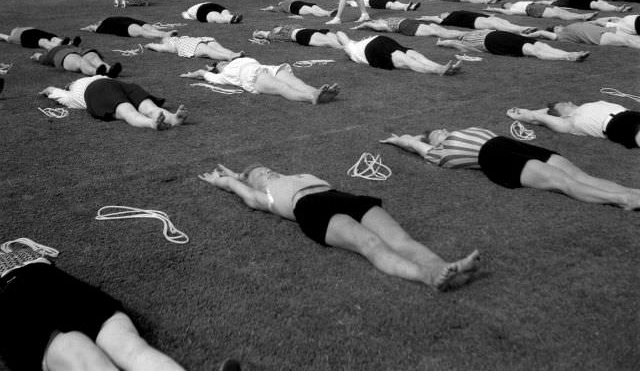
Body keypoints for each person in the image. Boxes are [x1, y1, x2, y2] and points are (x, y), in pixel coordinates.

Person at [198, 164, 481, 291]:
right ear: (256, 185)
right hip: (310, 209)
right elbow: (242, 190)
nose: (267, 173)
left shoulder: (298, 174)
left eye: (267, 169)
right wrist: (228, 179)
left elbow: (259, 175)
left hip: (341, 197)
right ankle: (428, 276)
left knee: (401, 239)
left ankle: (448, 269)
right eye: (261, 175)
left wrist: (248, 173)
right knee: (369, 244)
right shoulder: (265, 196)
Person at [0, 237, 188, 371]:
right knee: (129, 349)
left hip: (20, 294)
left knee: (81, 356)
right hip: (49, 281)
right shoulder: (21, 252)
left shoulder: (18, 252)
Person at [379, 128, 640, 208]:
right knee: (563, 182)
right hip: (495, 158)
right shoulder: (439, 153)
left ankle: (633, 192)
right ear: (432, 142)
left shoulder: (463, 131)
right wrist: (399, 140)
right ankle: (622, 200)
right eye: (437, 133)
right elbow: (414, 145)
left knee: (581, 175)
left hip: (508, 144)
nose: (443, 131)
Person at [40, 75, 188, 130]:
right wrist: (49, 91)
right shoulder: (71, 95)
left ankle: (173, 118)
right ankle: (152, 123)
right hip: (97, 90)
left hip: (118, 85)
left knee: (148, 107)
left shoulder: (90, 78)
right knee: (128, 112)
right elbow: (52, 91)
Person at [180, 59, 339, 104]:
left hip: (266, 68)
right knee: (282, 87)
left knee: (297, 83)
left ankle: (319, 93)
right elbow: (203, 73)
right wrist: (196, 73)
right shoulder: (221, 76)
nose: (221, 63)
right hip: (253, 76)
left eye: (221, 62)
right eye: (218, 65)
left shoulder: (236, 61)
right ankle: (311, 97)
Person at [507, 101, 640, 149]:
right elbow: (536, 118)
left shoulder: (586, 106)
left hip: (631, 114)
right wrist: (519, 113)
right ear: (561, 115)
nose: (569, 102)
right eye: (564, 105)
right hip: (617, 125)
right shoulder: (569, 122)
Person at [336, 31, 462, 75]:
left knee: (413, 54)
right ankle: (439, 70)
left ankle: (442, 67)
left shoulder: (355, 46)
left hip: (381, 41)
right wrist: (345, 44)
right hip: (373, 50)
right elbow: (340, 34)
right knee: (405, 59)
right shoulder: (351, 49)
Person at [435, 29, 589, 62]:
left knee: (539, 45)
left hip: (501, 37)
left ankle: (570, 54)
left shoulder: (468, 34)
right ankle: (568, 56)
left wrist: (442, 40)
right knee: (533, 50)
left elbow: (450, 38)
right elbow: (451, 42)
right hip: (495, 41)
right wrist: (442, 43)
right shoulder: (463, 43)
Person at [415, 10, 543, 34]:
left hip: (482, 17)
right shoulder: (447, 19)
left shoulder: (454, 13)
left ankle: (524, 28)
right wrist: (426, 17)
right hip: (476, 22)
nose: (443, 13)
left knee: (504, 23)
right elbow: (436, 19)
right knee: (497, 25)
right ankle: (521, 30)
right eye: (441, 14)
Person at [31, 45, 122, 78]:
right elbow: (39, 56)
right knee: (80, 62)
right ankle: (96, 72)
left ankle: (110, 70)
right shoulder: (49, 54)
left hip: (79, 50)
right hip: (62, 55)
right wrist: (36, 56)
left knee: (93, 58)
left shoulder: (68, 44)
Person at [542, 22, 640, 48]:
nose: (559, 27)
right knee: (627, 42)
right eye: (556, 29)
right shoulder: (563, 36)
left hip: (607, 30)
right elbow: (547, 35)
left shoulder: (572, 25)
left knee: (633, 38)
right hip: (600, 37)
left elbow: (594, 23)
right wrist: (538, 33)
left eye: (557, 26)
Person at [350, 17, 467, 39]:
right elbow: (368, 24)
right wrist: (360, 26)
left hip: (408, 26)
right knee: (440, 31)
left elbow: (367, 24)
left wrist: (358, 27)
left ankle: (464, 35)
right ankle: (465, 34)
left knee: (438, 33)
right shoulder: (384, 23)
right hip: (410, 23)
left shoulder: (383, 23)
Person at [145, 35, 244, 60]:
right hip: (192, 46)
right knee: (209, 50)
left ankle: (233, 55)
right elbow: (159, 48)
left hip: (200, 40)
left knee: (216, 48)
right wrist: (149, 45)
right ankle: (230, 56)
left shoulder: (176, 39)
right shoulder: (168, 45)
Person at [485, 1, 599, 22]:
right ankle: (582, 18)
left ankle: (584, 16)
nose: (508, 3)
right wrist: (493, 9)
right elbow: (504, 12)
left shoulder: (516, 3)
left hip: (536, 5)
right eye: (506, 5)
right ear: (505, 7)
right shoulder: (511, 10)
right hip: (533, 10)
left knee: (560, 11)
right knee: (558, 15)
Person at [81, 17, 178, 39]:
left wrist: (88, 28)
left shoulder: (102, 25)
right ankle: (164, 35)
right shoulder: (101, 27)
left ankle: (164, 35)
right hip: (124, 25)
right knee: (142, 31)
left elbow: (91, 27)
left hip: (127, 22)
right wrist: (87, 28)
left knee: (148, 30)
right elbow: (91, 28)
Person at [252, 25, 342, 49]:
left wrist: (257, 34)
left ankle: (350, 49)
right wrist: (258, 33)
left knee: (329, 41)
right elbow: (266, 34)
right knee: (333, 39)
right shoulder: (292, 27)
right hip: (307, 32)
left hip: (303, 34)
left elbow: (266, 34)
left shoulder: (280, 34)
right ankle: (351, 47)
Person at [0, 27, 80, 50]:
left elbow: (3, 36)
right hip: (26, 37)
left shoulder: (14, 35)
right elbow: (3, 36)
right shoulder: (13, 38)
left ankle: (67, 44)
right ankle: (61, 46)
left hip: (33, 32)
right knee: (43, 41)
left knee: (51, 37)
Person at [544, 0, 631, 13]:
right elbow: (547, 2)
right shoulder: (558, 2)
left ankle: (620, 8)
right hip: (580, 2)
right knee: (597, 5)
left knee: (601, 3)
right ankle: (617, 9)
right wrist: (535, 2)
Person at [346, 0, 420, 12]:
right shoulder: (356, 3)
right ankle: (404, 7)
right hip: (372, 0)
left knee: (393, 1)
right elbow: (348, 2)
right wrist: (345, 2)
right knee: (389, 5)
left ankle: (411, 6)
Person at [260, 0, 336, 18]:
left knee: (313, 9)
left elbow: (271, 7)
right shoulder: (282, 5)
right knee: (313, 9)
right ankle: (328, 13)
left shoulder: (282, 5)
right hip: (297, 5)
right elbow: (271, 7)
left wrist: (266, 9)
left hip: (297, 5)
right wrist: (265, 9)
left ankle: (328, 13)